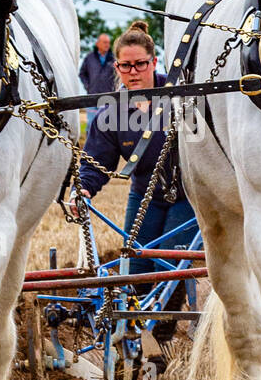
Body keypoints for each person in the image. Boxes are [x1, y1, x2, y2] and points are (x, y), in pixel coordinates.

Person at [73, 20, 195, 274]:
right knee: (134, 268)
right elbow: (97, 161)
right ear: (117, 67)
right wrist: (83, 189)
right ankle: (137, 314)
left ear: (153, 62)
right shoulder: (111, 111)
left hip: (188, 196)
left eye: (140, 63)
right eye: (126, 65)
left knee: (169, 268)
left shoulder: (183, 98)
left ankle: (165, 314)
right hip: (144, 195)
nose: (133, 71)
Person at [79, 32, 115, 130]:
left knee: (106, 125)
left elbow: (119, 76)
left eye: (108, 43)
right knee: (91, 124)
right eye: (104, 42)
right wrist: (88, 86)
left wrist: (114, 88)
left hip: (109, 97)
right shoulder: (89, 57)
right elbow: (82, 73)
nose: (107, 45)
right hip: (92, 96)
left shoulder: (113, 58)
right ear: (97, 44)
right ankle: (89, 145)